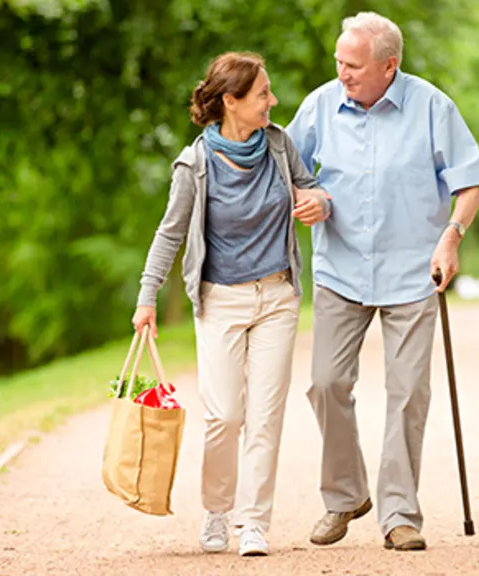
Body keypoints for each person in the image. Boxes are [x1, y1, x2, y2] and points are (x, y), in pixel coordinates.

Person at [286, 11, 479, 551]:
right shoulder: (320, 105)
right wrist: (312, 198)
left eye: (352, 65)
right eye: (338, 62)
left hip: (412, 272)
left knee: (407, 393)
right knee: (325, 383)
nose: (341, 73)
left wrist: (451, 236)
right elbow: (289, 172)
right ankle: (346, 495)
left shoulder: (431, 107)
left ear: (388, 66)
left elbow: (470, 180)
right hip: (341, 270)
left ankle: (400, 514)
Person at [132, 51, 330, 557]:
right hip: (220, 301)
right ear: (231, 101)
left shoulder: (279, 145)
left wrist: (319, 202)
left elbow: (310, 190)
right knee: (224, 416)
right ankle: (217, 512)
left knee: (266, 415)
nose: (273, 101)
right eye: (263, 93)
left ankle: (253, 522)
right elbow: (169, 233)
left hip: (277, 297)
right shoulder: (194, 164)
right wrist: (146, 296)